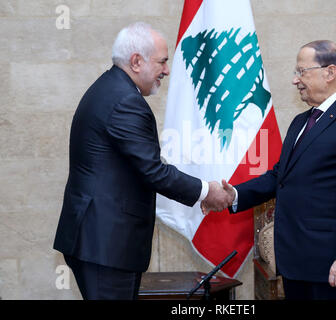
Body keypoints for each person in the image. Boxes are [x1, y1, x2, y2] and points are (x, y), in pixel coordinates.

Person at [53, 22, 233, 300]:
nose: (167, 70)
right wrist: (207, 191)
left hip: (99, 242)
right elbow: (153, 171)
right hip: (106, 245)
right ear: (136, 61)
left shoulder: (111, 89)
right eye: (162, 62)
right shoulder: (124, 100)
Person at [203, 40, 336, 300]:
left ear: (329, 72)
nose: (294, 80)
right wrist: (233, 196)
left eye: (301, 71)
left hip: (333, 266)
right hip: (295, 261)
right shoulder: (302, 121)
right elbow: (280, 177)